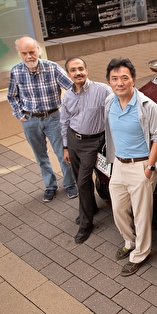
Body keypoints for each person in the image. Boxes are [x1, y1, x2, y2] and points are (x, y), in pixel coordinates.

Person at [104, 58, 157, 277]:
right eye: (114, 79)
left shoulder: (148, 107)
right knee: (118, 209)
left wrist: (149, 167)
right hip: (119, 165)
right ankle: (130, 242)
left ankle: (140, 253)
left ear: (134, 80)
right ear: (109, 82)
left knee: (141, 215)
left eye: (124, 78)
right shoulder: (109, 103)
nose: (119, 82)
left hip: (141, 166)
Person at [7, 37, 78, 202]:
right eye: (24, 53)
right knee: (41, 157)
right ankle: (50, 186)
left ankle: (70, 184)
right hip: (30, 120)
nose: (29, 56)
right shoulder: (16, 71)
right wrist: (20, 115)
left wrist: (71, 111)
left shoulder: (52, 68)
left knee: (63, 154)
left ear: (38, 50)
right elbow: (12, 96)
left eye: (32, 51)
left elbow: (72, 88)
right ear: (19, 54)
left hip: (53, 117)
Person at [60, 57, 112, 243]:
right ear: (68, 74)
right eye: (73, 70)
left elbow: (122, 104)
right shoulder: (68, 95)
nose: (78, 73)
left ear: (87, 70)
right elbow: (64, 121)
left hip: (93, 143)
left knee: (82, 182)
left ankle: (85, 223)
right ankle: (91, 208)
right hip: (74, 140)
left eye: (80, 68)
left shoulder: (102, 90)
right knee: (80, 179)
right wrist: (66, 146)